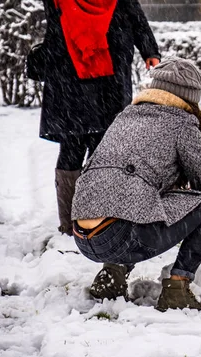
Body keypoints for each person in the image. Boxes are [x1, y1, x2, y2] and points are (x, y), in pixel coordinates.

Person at [71, 58, 201, 312]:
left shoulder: (126, 115)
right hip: (121, 237)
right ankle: (178, 287)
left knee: (134, 196)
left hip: (83, 237)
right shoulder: (181, 121)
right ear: (190, 97)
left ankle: (111, 276)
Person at [36, 0, 161, 235]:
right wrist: (149, 51)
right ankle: (98, 220)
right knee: (103, 149)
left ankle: (72, 221)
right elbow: (136, 18)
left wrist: (149, 50)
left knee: (74, 148)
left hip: (71, 78)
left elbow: (54, 27)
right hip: (106, 80)